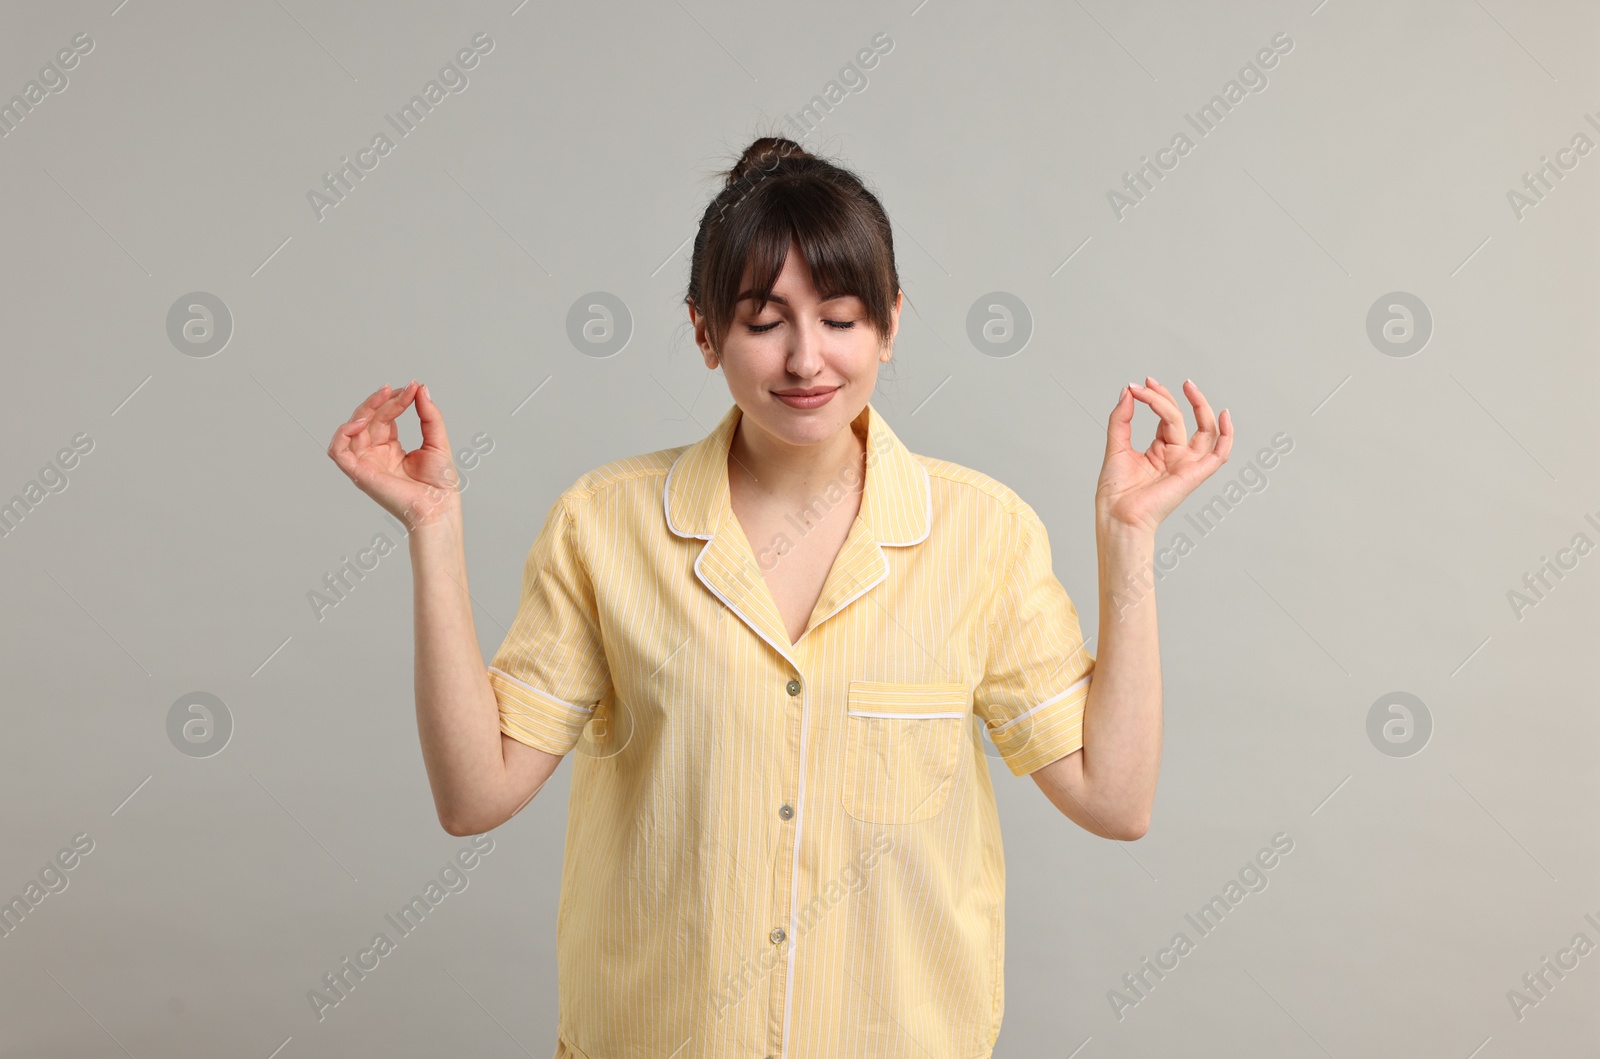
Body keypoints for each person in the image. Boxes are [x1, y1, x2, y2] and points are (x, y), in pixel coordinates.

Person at [327, 136, 1232, 1059]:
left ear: (890, 323)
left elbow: (1115, 799)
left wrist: (1128, 538)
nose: (807, 359)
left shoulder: (983, 536)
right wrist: (432, 531)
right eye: (765, 322)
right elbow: (475, 795)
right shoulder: (604, 527)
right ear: (703, 329)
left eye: (840, 318)